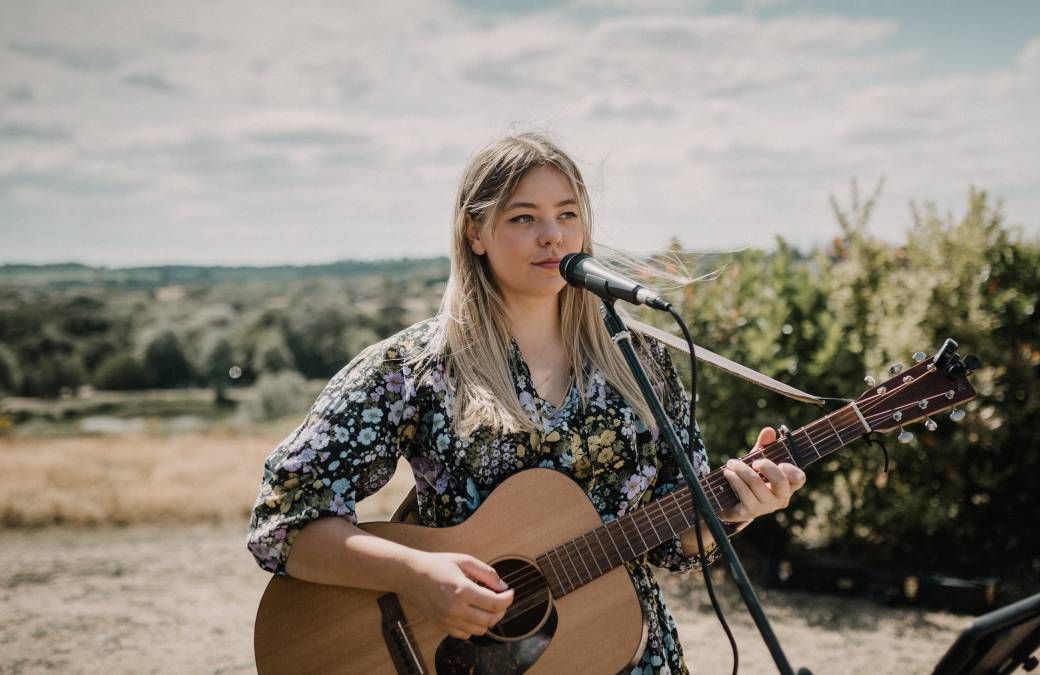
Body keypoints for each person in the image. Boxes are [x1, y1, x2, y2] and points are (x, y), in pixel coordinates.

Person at [247, 132, 807, 673]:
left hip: (631, 655)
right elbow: (284, 521)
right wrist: (417, 573)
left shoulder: (641, 362)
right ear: (475, 232)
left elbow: (672, 545)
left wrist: (734, 509)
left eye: (568, 214)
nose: (553, 237)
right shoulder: (414, 368)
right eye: (524, 218)